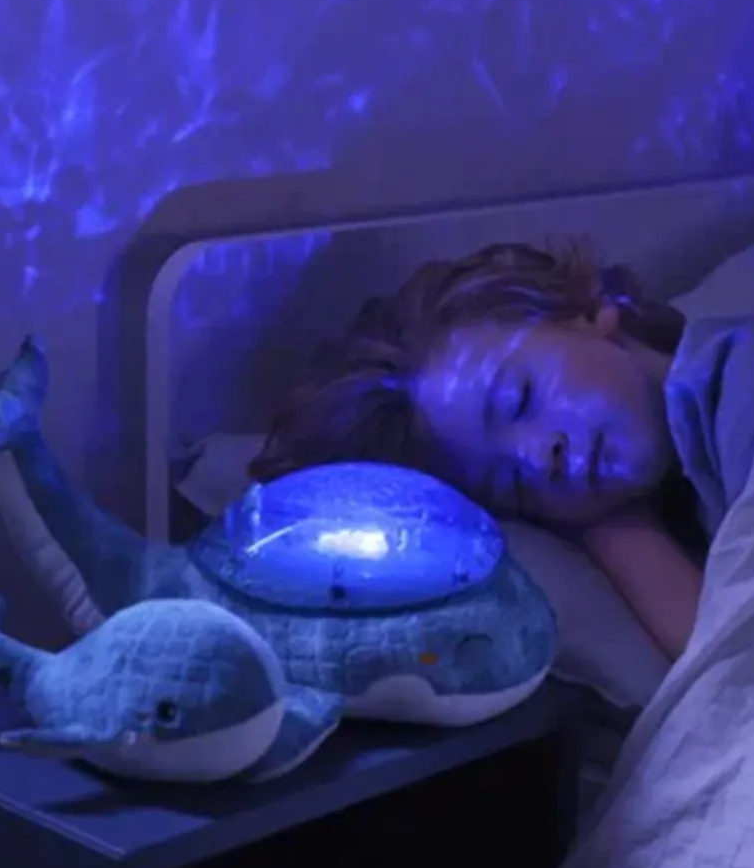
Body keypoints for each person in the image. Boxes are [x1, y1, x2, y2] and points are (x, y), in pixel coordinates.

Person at [250, 242, 705, 659]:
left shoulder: (738, 387)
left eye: (520, 399)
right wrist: (609, 525)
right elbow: (724, 647)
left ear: (587, 310)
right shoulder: (682, 498)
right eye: (512, 484)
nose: (536, 460)